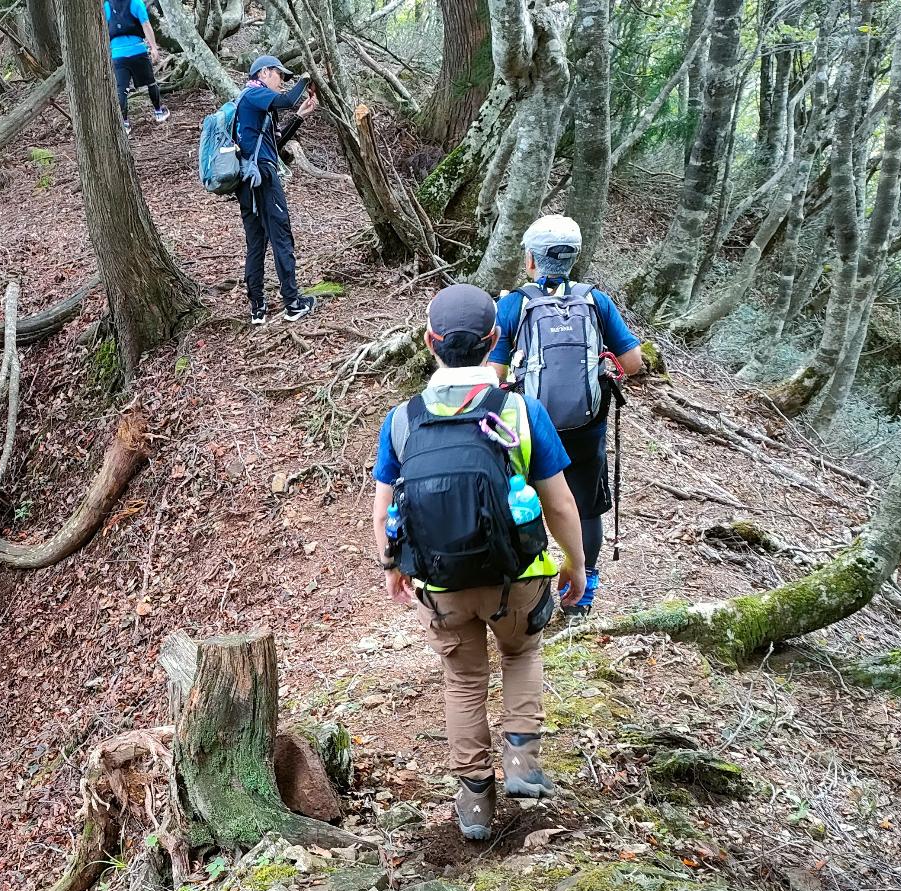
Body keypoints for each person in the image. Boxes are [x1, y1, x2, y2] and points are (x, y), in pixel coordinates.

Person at [371, 284, 587, 842]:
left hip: (440, 584)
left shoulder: (402, 419)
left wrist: (393, 566)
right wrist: (574, 565)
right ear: (495, 341)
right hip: (515, 579)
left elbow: (384, 511)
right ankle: (523, 761)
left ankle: (474, 802)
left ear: (429, 342)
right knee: (521, 650)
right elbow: (561, 503)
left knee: (463, 678)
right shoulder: (519, 409)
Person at [488, 214, 644, 616]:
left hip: (528, 423)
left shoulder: (514, 304)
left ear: (531, 259)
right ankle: (582, 596)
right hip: (585, 424)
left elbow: (494, 375)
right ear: (573, 257)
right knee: (585, 507)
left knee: (522, 500)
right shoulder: (596, 301)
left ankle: (527, 592)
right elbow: (634, 362)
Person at [234, 56, 318, 326]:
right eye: (279, 75)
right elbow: (287, 100)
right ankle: (293, 303)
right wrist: (307, 76)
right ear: (265, 72)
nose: (282, 82)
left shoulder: (256, 105)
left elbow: (276, 141)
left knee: (256, 241)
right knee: (281, 235)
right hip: (263, 177)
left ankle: (257, 308)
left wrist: (300, 117)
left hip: (248, 180)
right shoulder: (253, 93)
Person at [104, 0, 168, 133]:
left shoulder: (106, 6)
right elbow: (146, 25)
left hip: (117, 54)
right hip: (138, 51)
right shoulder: (136, 3)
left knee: (121, 89)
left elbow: (104, 30)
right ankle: (158, 112)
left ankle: (125, 123)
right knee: (150, 82)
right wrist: (153, 48)